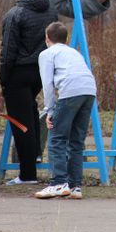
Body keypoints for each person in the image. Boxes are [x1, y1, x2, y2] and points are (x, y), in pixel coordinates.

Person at [0, 0, 57, 185]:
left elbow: (8, 51)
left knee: (20, 123)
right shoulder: (50, 11)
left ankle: (27, 174)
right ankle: (34, 158)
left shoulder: (14, 15)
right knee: (30, 115)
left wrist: (4, 79)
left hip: (18, 72)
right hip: (40, 71)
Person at [32, 22, 97, 200]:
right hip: (89, 90)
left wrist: (49, 109)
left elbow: (47, 84)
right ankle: (75, 186)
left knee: (56, 138)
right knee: (76, 141)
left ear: (47, 38)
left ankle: (58, 183)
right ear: (65, 38)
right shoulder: (73, 52)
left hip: (70, 90)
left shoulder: (47, 54)